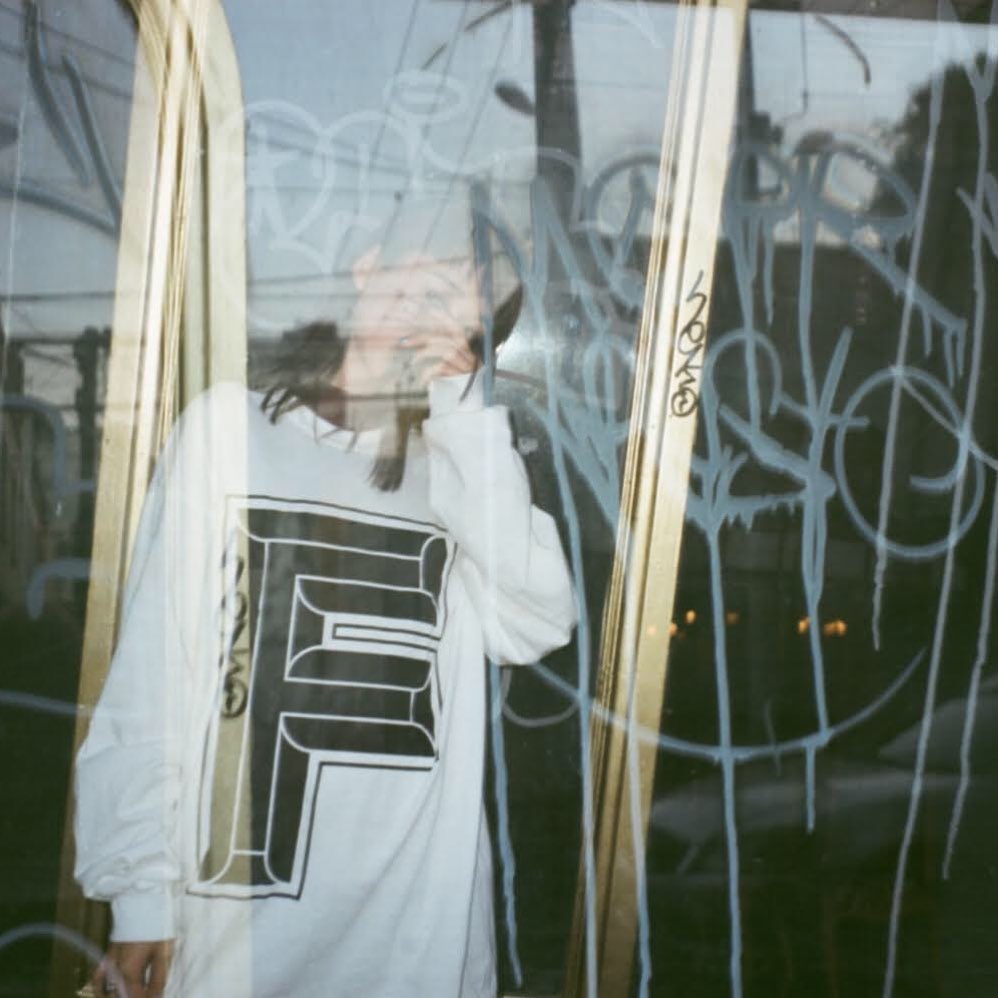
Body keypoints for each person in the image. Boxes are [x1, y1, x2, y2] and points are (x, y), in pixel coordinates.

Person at [74, 245, 577, 997]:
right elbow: (152, 677)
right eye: (433, 267)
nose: (434, 303)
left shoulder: (461, 470)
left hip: (412, 939)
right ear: (370, 262)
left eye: (464, 303)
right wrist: (141, 894)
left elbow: (536, 624)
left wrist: (466, 421)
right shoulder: (228, 429)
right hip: (232, 930)